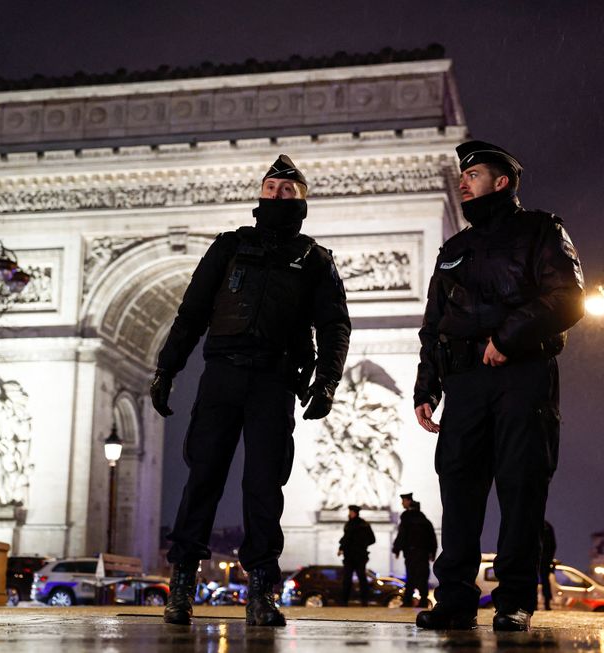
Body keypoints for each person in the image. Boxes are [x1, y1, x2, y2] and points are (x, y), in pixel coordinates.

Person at [151, 154, 351, 627]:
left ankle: (262, 590)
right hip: (222, 375)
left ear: (301, 200)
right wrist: (166, 369)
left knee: (264, 487)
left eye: (287, 189)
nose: (277, 194)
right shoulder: (228, 247)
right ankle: (182, 585)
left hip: (274, 380)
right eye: (270, 187)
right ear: (260, 194)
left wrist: (327, 380)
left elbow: (334, 325)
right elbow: (191, 313)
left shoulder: (316, 259)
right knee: (202, 478)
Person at [413, 140, 584, 632]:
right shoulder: (453, 249)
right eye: (462, 176)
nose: (462, 183)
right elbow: (434, 325)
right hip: (464, 382)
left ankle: (514, 600)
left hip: (521, 376)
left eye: (473, 175)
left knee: (521, 487)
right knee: (458, 490)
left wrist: (508, 339)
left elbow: (569, 296)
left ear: (502, 181)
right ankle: (454, 600)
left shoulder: (542, 230)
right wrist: (427, 387)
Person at [392, 493, 437, 608]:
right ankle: (423, 600)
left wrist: (396, 549)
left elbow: (402, 534)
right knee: (422, 576)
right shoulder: (424, 520)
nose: (402, 503)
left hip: (411, 552)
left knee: (411, 575)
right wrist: (432, 552)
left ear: (408, 501)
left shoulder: (406, 518)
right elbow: (431, 537)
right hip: (423, 553)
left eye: (403, 501)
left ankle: (408, 600)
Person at [338, 504, 376, 606]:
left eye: (350, 512)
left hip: (352, 555)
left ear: (354, 513)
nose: (349, 514)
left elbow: (346, 539)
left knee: (349, 578)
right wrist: (363, 545)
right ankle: (364, 601)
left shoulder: (350, 525)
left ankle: (345, 601)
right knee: (360, 578)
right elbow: (372, 539)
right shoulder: (364, 524)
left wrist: (342, 548)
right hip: (359, 555)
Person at [539, 520, 557, 610]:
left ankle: (537, 603)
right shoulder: (547, 526)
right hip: (544, 559)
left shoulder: (531, 523)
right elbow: (553, 545)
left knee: (534, 580)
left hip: (537, 558)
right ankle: (546, 603)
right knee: (545, 581)